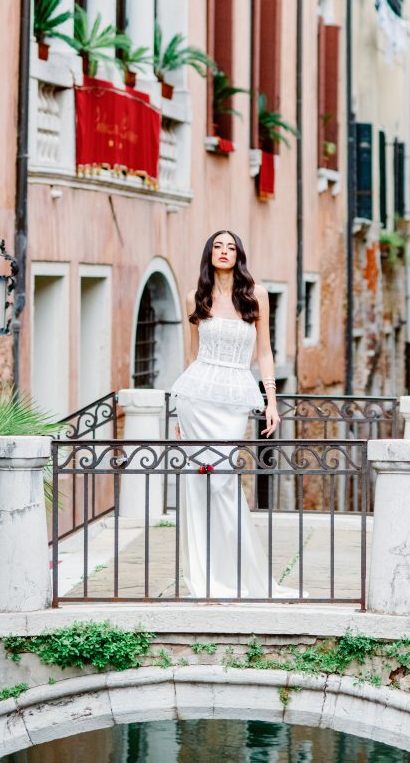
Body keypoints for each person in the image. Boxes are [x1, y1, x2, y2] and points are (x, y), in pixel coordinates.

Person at [170, 229, 289, 599]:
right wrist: (178, 413)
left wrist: (271, 401)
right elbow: (191, 356)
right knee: (198, 484)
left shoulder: (256, 295)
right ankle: (205, 576)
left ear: (239, 255)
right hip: (196, 400)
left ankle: (242, 575)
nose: (224, 252)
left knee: (222, 481)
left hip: (234, 398)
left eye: (231, 247)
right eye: (218, 246)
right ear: (209, 254)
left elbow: (265, 352)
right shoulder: (195, 296)